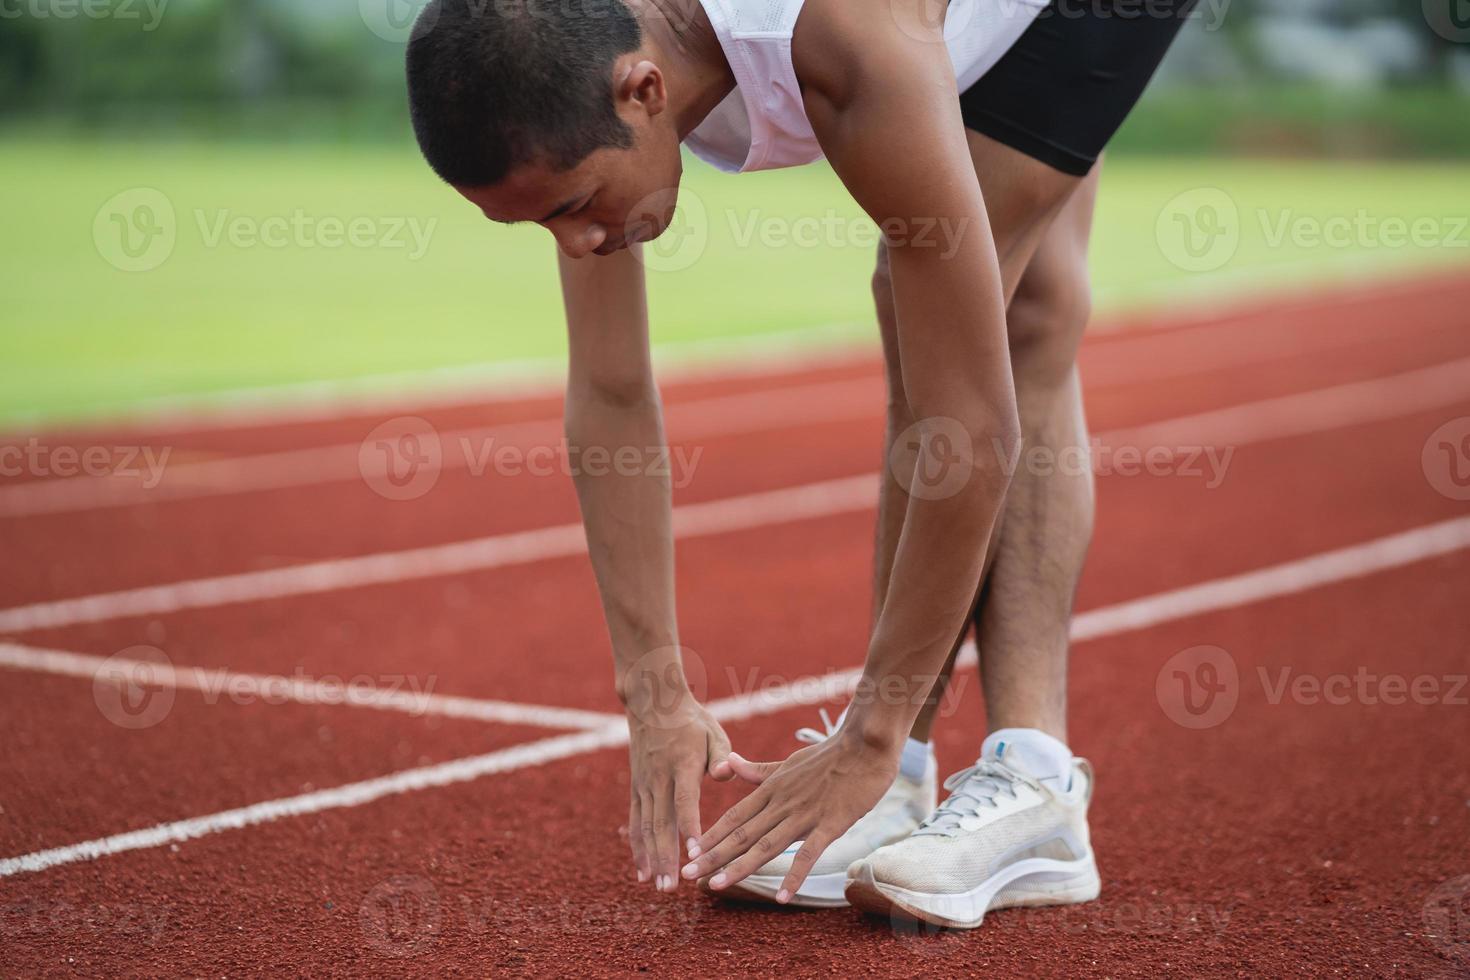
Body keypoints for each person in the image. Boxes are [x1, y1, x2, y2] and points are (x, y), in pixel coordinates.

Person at [406, 0, 1193, 928]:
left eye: (574, 208)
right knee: (1029, 302)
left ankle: (960, 775)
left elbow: (970, 429)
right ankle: (1010, 780)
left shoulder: (845, 44)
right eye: (540, 225)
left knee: (939, 306)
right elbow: (613, 391)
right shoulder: (579, 59)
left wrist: (871, 732)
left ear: (644, 89)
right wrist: (654, 690)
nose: (576, 243)